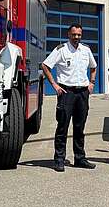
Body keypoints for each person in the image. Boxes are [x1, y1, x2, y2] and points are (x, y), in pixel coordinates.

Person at [41, 23, 97, 172]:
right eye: (74, 34)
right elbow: (45, 66)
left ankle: (80, 158)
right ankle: (59, 159)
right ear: (68, 34)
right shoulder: (61, 50)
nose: (76, 37)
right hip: (66, 93)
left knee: (80, 127)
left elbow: (93, 67)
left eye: (79, 34)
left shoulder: (86, 50)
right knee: (62, 127)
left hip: (82, 94)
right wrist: (54, 85)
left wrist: (91, 83)